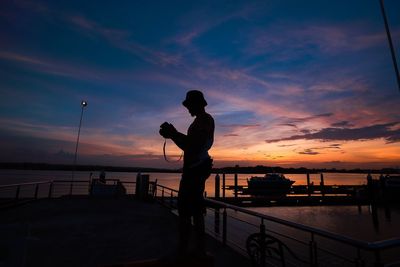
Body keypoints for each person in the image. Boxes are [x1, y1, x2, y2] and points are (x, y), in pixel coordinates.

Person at [159, 90, 214, 257]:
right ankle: (196, 250)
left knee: (187, 211)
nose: (188, 109)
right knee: (193, 211)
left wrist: (173, 134)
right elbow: (191, 145)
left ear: (198, 104)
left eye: (189, 105)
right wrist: (174, 135)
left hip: (195, 172)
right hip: (194, 171)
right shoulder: (200, 121)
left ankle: (189, 250)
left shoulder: (205, 119)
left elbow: (195, 145)